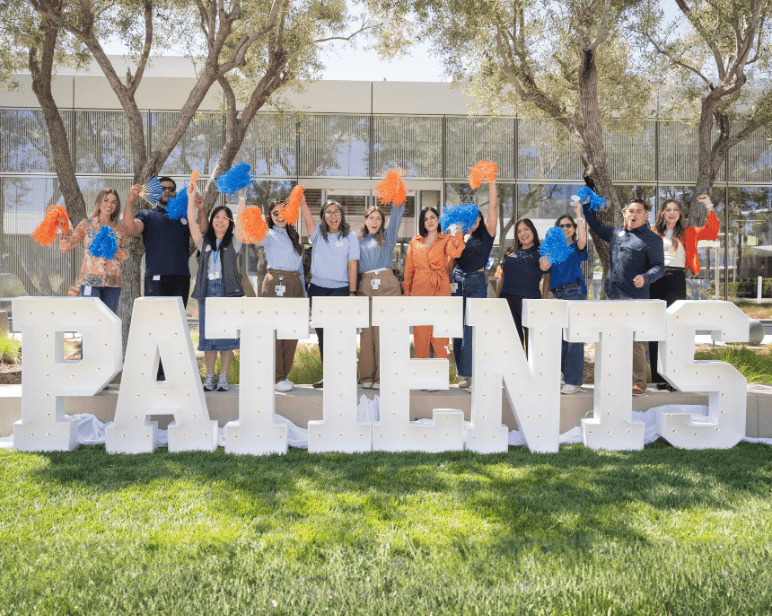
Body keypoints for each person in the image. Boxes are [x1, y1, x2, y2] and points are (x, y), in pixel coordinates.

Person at [582, 198, 665, 395]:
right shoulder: (616, 233)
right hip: (612, 296)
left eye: (638, 211)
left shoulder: (652, 239)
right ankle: (616, 378)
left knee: (636, 342)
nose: (633, 215)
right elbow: (595, 225)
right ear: (624, 213)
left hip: (636, 298)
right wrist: (586, 206)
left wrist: (646, 278)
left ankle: (639, 382)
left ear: (645, 215)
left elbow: (659, 268)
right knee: (612, 338)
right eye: (630, 211)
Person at [649, 194, 719, 391]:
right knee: (656, 329)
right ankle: (658, 377)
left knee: (674, 327)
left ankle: (673, 376)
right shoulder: (653, 233)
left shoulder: (689, 232)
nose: (672, 213)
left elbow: (712, 232)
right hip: (655, 280)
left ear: (680, 214)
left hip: (676, 279)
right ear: (663, 213)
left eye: (676, 209)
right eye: (668, 209)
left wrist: (708, 206)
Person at [187, 185, 244, 392]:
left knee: (227, 336)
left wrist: (242, 197)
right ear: (211, 221)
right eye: (217, 217)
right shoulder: (203, 241)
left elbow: (242, 223)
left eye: (225, 218)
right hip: (207, 291)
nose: (220, 220)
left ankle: (223, 377)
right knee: (208, 336)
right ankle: (209, 376)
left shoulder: (234, 242)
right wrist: (191, 198)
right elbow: (192, 223)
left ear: (230, 223)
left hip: (227, 291)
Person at [300, 198, 360, 389]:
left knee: (340, 334)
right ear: (323, 216)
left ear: (341, 215)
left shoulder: (350, 237)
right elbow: (307, 219)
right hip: (317, 289)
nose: (333, 215)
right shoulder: (318, 235)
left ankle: (347, 374)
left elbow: (353, 264)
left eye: (336, 212)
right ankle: (329, 376)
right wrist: (302, 201)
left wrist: (352, 292)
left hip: (340, 290)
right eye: (328, 212)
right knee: (323, 335)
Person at [123, 176, 207, 307]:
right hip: (155, 278)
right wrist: (129, 201)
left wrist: (201, 210)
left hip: (181, 278)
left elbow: (202, 231)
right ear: (156, 193)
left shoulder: (185, 216)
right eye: (162, 188)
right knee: (157, 321)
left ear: (175, 192)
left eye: (171, 189)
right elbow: (130, 230)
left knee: (177, 322)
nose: (167, 191)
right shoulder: (147, 215)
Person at [254, 197, 307, 393]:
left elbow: (299, 266)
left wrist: (304, 294)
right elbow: (249, 234)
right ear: (269, 216)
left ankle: (283, 375)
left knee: (292, 332)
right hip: (276, 281)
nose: (279, 216)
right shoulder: (267, 234)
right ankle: (275, 376)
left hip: (295, 283)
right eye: (275, 213)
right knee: (274, 331)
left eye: (283, 212)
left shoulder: (293, 235)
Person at [451, 181, 498, 390]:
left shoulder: (487, 234)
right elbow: (452, 259)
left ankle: (475, 373)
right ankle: (464, 374)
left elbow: (493, 207)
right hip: (457, 280)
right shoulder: (459, 235)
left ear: (480, 218)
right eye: (467, 218)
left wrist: (491, 182)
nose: (472, 221)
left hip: (476, 282)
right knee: (458, 329)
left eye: (475, 217)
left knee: (473, 328)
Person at [402, 207, 465, 359]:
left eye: (432, 217)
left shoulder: (447, 240)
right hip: (419, 290)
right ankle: (422, 377)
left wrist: (459, 231)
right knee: (421, 334)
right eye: (425, 219)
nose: (429, 221)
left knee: (440, 333)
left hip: (440, 289)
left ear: (438, 220)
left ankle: (440, 376)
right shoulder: (414, 241)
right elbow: (409, 269)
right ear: (422, 223)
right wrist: (407, 293)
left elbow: (456, 252)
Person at [357, 200, 405, 390]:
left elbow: (397, 215)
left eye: (379, 218)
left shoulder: (388, 237)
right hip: (365, 285)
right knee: (366, 332)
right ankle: (367, 376)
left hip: (388, 284)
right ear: (365, 220)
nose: (375, 221)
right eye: (372, 218)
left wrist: (398, 188)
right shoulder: (357, 242)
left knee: (385, 331)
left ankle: (382, 376)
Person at [60, 188, 129, 314]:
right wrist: (64, 229)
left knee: (109, 320)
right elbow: (66, 247)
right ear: (99, 202)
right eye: (106, 200)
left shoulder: (119, 228)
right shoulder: (86, 224)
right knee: (90, 317)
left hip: (113, 282)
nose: (109, 205)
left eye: (114, 202)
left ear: (117, 205)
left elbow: (125, 256)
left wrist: (113, 248)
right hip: (89, 281)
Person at [547, 200, 588, 394]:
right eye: (561, 226)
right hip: (558, 294)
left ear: (573, 228)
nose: (565, 228)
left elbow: (582, 240)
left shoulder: (575, 248)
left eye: (568, 225)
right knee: (561, 339)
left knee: (574, 338)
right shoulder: (554, 250)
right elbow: (545, 270)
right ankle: (564, 376)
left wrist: (578, 214)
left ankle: (574, 381)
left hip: (574, 292)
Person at [495, 218, 549, 355]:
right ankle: (515, 374)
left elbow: (547, 277)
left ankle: (532, 374)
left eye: (526, 229)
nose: (523, 233)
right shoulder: (510, 252)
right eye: (519, 231)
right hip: (507, 300)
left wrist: (543, 300)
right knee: (513, 340)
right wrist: (497, 299)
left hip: (529, 302)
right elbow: (502, 277)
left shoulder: (541, 252)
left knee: (532, 341)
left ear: (533, 231)